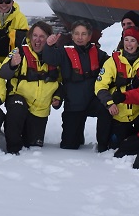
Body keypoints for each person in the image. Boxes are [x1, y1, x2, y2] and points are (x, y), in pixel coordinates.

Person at [43, 21, 111, 151]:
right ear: (72, 36)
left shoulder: (97, 52)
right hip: (74, 104)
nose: (80, 37)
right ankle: (77, 136)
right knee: (69, 145)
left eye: (83, 34)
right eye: (77, 34)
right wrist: (49, 45)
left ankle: (103, 144)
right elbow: (50, 58)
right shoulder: (63, 52)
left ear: (89, 37)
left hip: (93, 101)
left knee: (106, 108)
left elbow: (112, 64)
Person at [0, 21, 62, 153]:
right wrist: (12, 65)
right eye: (34, 36)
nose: (37, 40)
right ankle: (12, 149)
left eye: (42, 36)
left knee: (33, 145)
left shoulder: (56, 57)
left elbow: (62, 83)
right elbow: (3, 73)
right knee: (17, 111)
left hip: (40, 109)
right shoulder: (19, 52)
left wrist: (58, 97)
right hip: (19, 98)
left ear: (49, 38)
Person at [94, 25, 139, 149]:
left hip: (137, 114)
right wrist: (109, 103)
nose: (129, 44)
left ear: (138, 43)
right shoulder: (113, 61)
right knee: (115, 146)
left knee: (137, 146)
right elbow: (100, 85)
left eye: (133, 40)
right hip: (117, 114)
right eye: (126, 40)